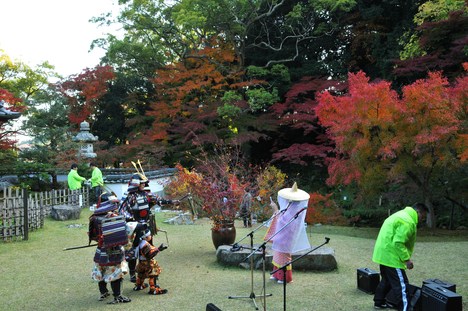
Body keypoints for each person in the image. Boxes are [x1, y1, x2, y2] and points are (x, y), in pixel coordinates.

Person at [119, 172, 178, 283]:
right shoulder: (129, 196)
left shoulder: (147, 194)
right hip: (133, 228)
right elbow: (122, 212)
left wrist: (171, 201)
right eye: (141, 183)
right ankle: (132, 273)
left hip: (145, 226)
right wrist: (133, 223)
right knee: (133, 252)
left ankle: (150, 271)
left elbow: (158, 200)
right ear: (136, 184)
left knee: (148, 250)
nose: (143, 184)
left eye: (144, 183)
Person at [372, 203, 428, 310]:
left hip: (383, 254)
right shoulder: (408, 221)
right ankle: (405, 308)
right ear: (418, 212)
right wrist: (407, 260)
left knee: (387, 280)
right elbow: (398, 242)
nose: (422, 219)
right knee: (402, 286)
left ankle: (379, 302)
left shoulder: (400, 214)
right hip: (392, 257)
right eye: (423, 216)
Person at [88, 194, 131, 304]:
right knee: (116, 273)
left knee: (101, 271)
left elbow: (92, 236)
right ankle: (118, 296)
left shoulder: (94, 217)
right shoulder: (112, 217)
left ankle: (104, 292)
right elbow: (126, 231)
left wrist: (101, 239)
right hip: (114, 250)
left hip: (101, 250)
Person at [264, 182, 310, 284]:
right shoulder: (291, 205)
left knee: (284, 256)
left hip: (287, 236)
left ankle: (285, 277)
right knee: (277, 254)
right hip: (283, 235)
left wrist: (276, 210)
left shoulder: (296, 207)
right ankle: (276, 274)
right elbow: (283, 217)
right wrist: (278, 211)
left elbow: (283, 221)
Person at [133, 228, 169, 295]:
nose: (151, 236)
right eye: (150, 235)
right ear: (146, 237)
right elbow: (149, 255)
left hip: (141, 262)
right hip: (148, 263)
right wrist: (158, 249)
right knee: (153, 275)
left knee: (141, 274)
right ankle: (153, 289)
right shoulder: (145, 245)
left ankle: (139, 285)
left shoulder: (139, 242)